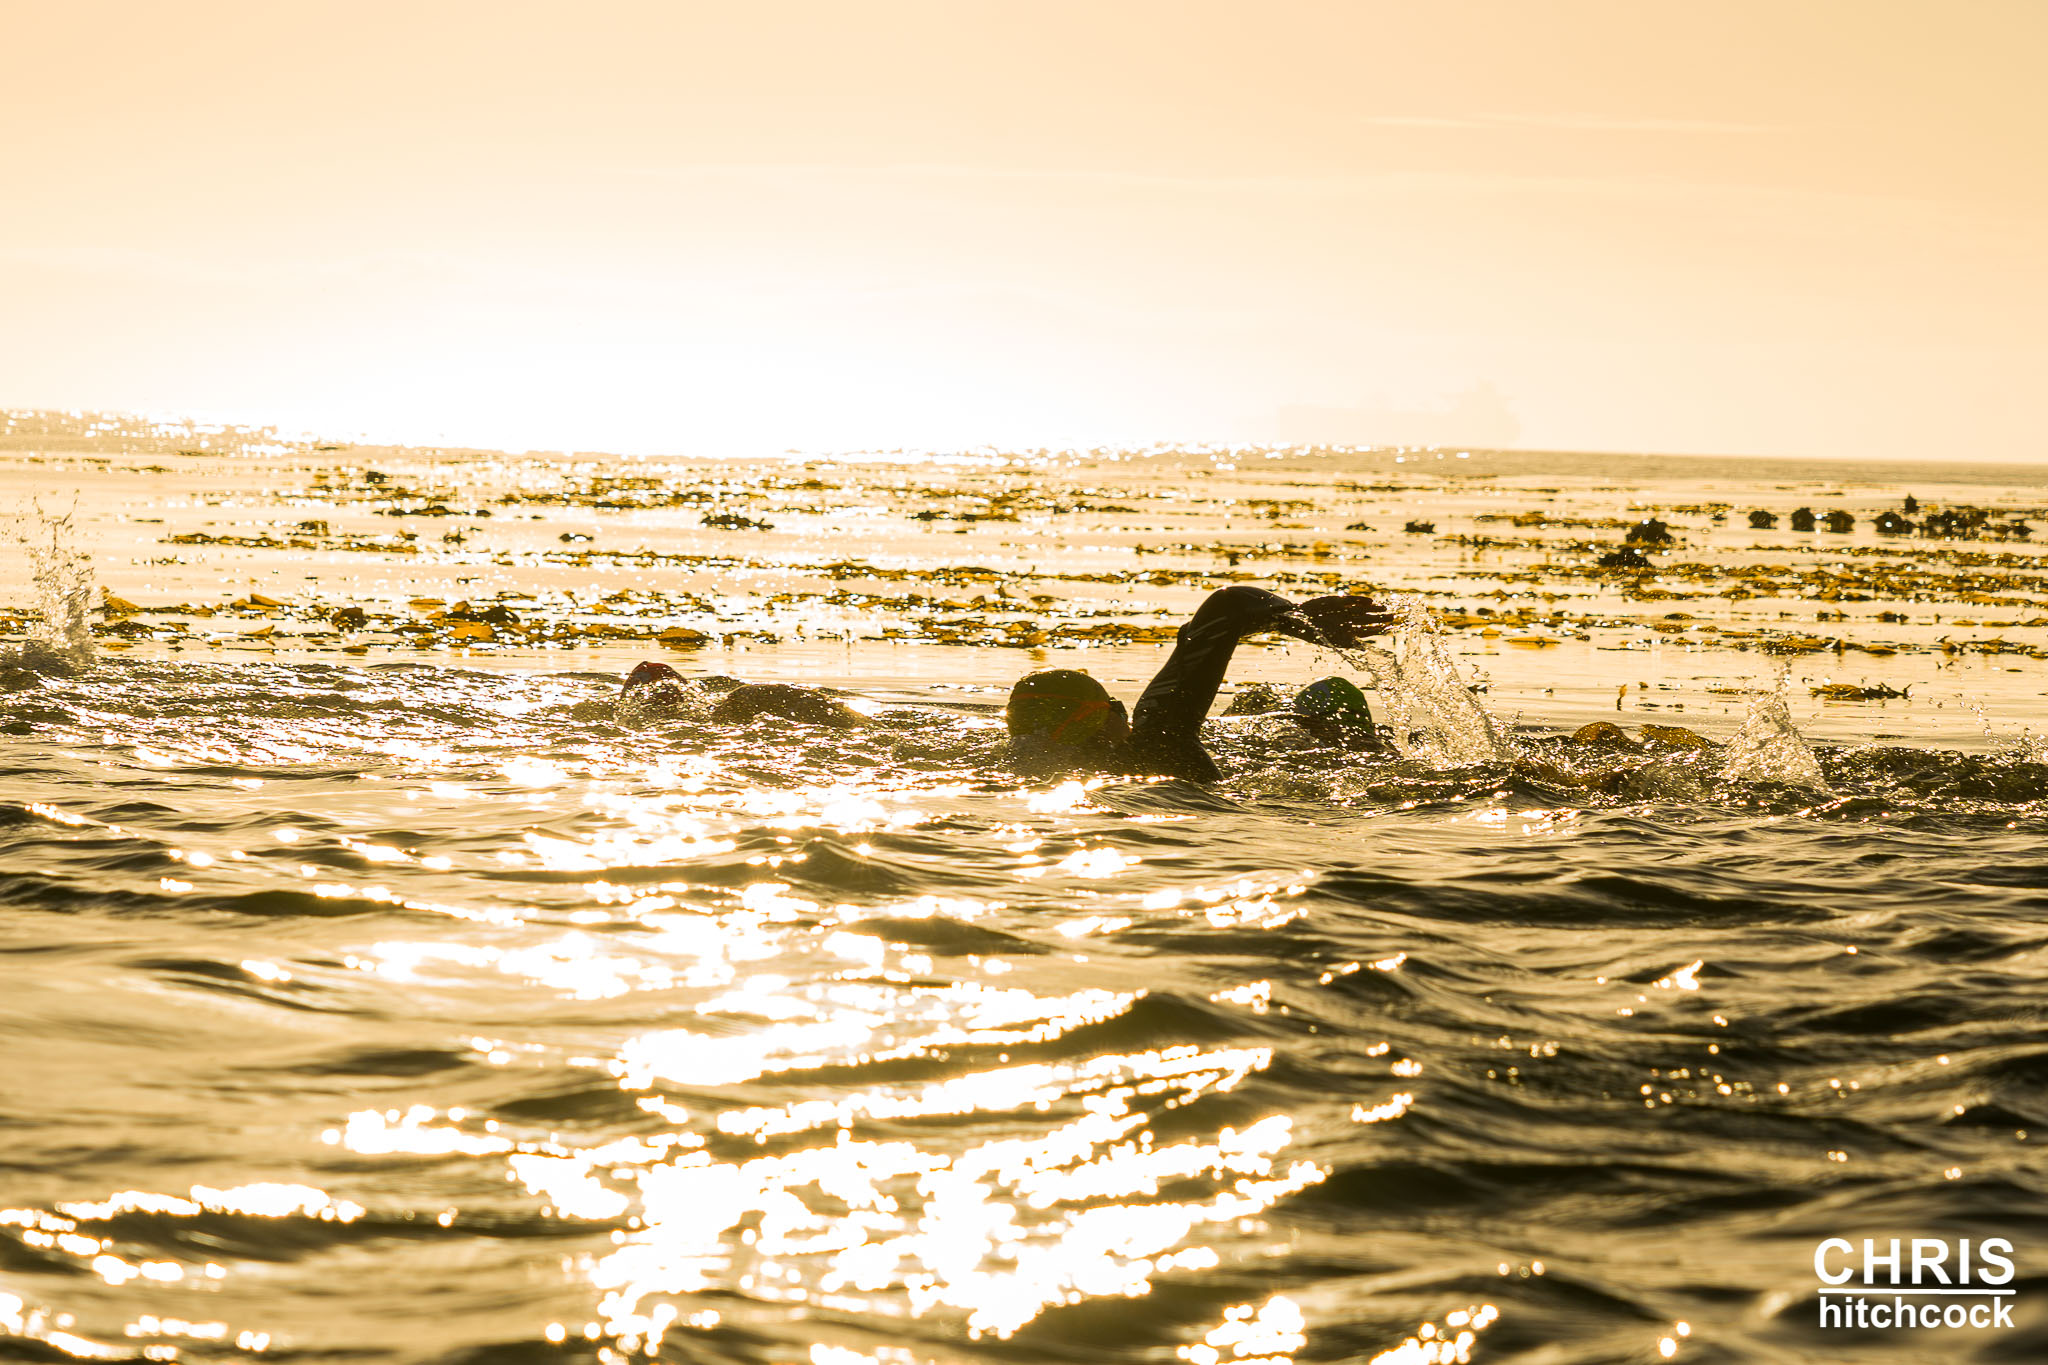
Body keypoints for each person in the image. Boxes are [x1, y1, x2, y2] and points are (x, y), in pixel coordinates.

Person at [621, 585, 1389, 782]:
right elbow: (1221, 611)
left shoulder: (1010, 769)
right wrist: (1300, 621)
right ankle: (1341, 730)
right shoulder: (1155, 743)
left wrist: (690, 702)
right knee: (1326, 730)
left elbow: (844, 727)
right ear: (1113, 715)